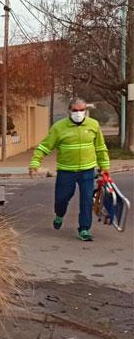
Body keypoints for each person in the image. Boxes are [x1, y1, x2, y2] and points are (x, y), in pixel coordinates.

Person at [29, 97, 111, 241]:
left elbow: (100, 148)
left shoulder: (93, 125)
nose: (78, 113)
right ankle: (59, 215)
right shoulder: (59, 127)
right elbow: (45, 146)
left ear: (86, 110)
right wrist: (35, 163)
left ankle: (84, 229)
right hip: (66, 171)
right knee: (62, 198)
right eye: (75, 110)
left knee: (86, 200)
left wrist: (105, 167)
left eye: (81, 110)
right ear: (69, 111)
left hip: (87, 171)